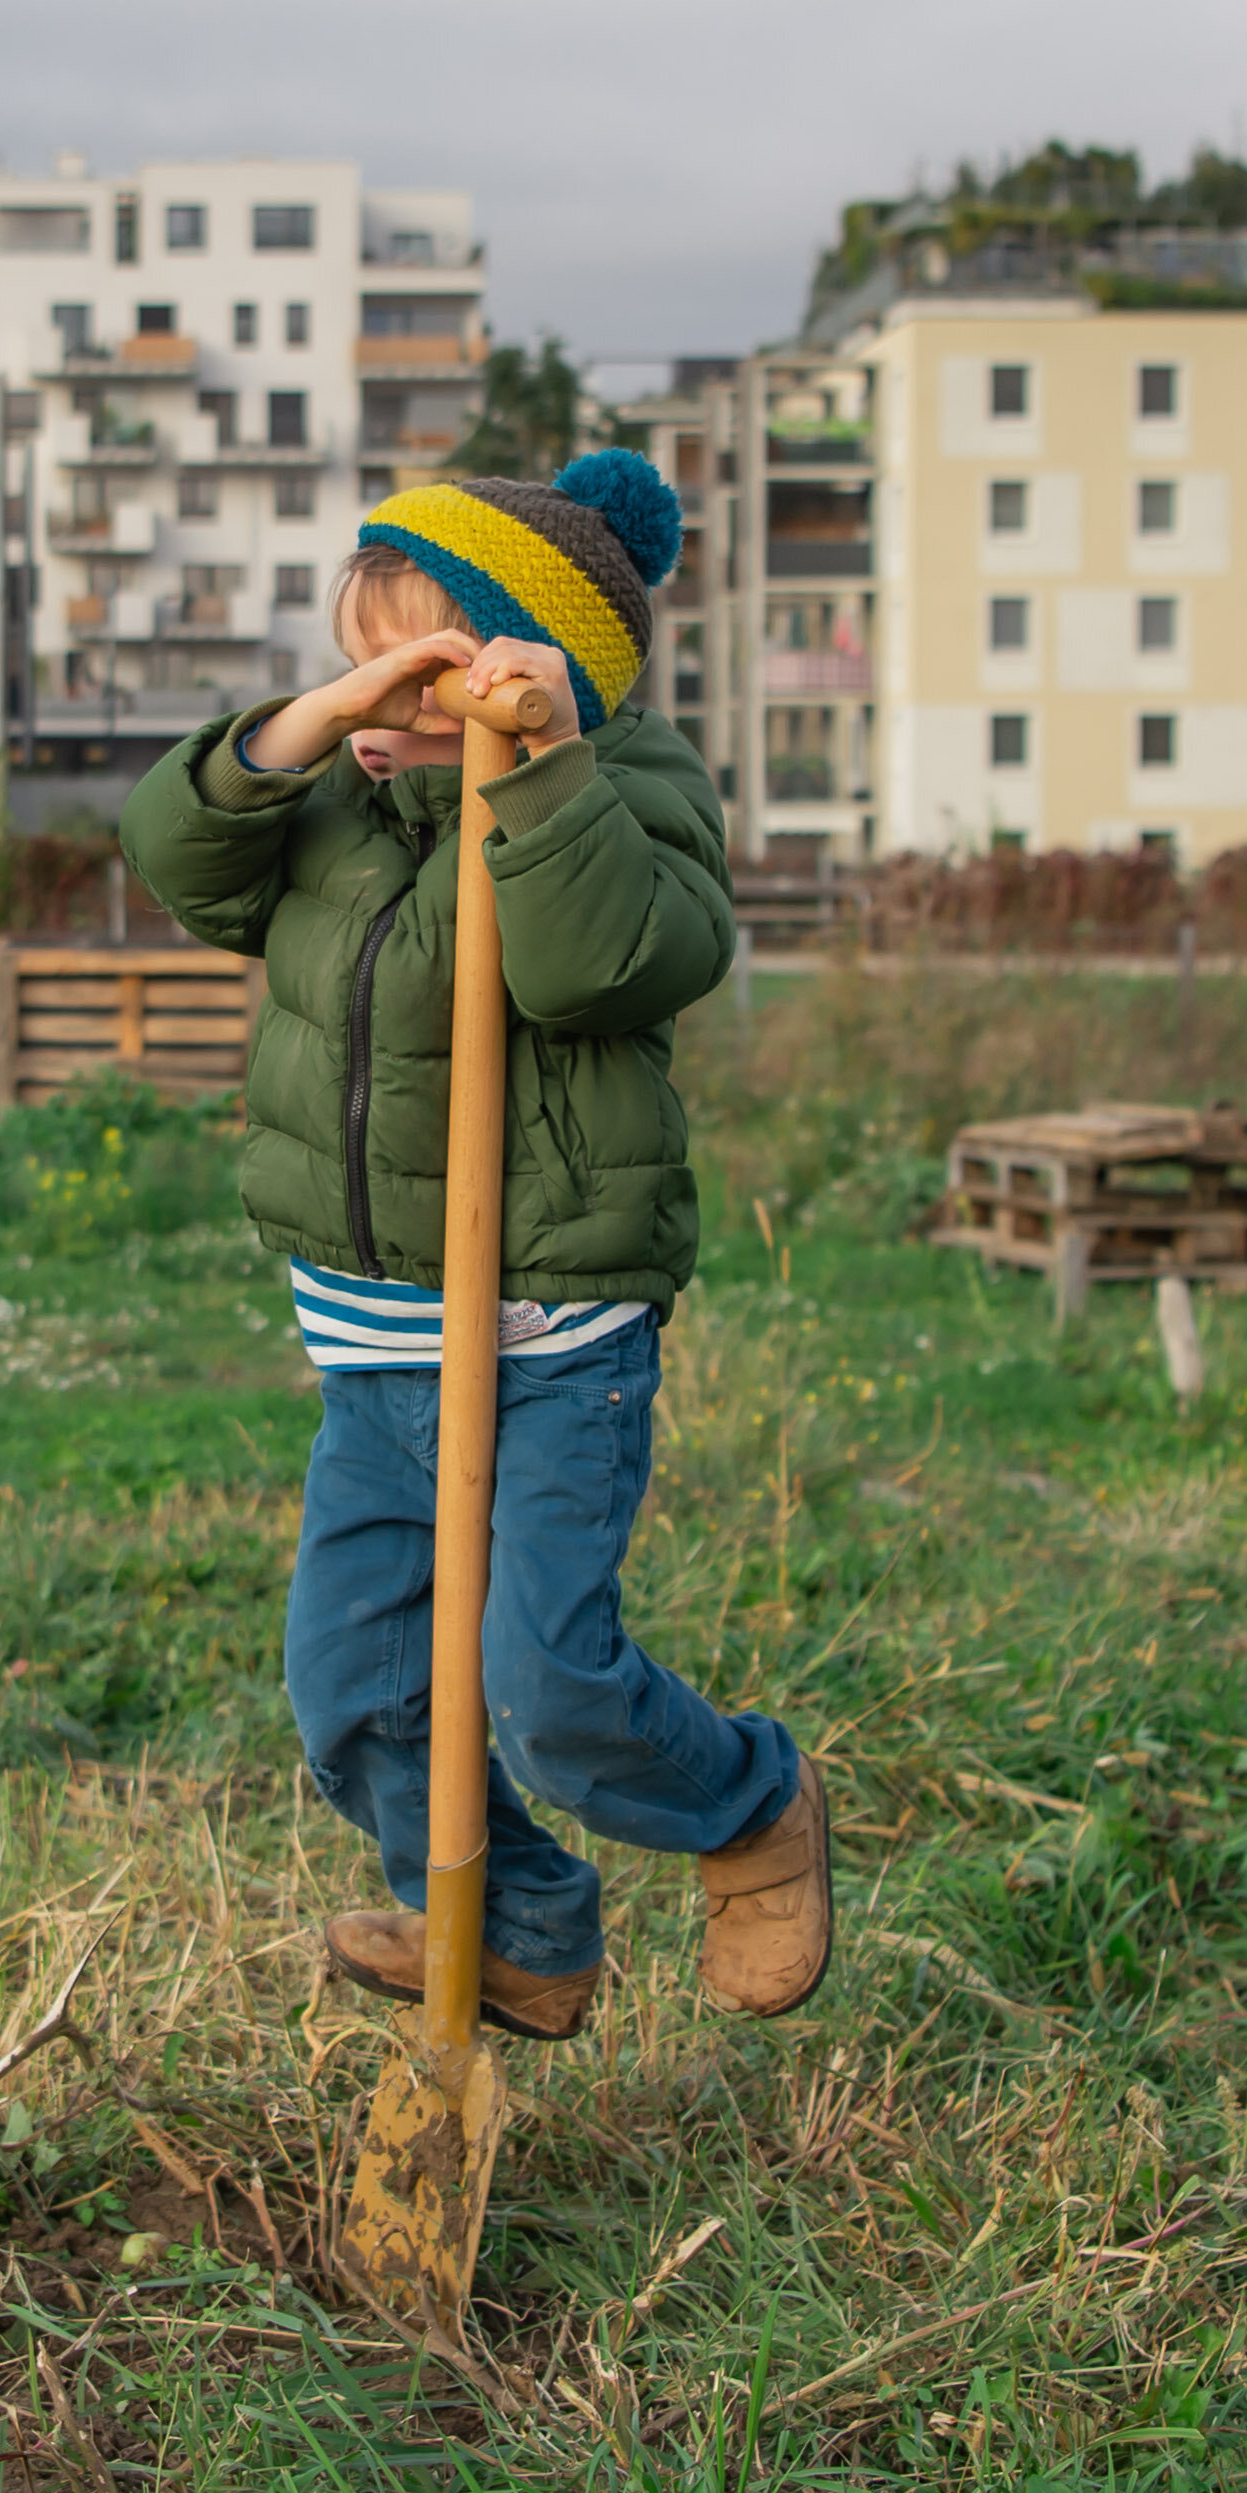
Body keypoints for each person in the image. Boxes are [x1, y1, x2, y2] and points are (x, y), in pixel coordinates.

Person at [118, 451, 829, 2043]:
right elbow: (178, 855)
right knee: (351, 1692)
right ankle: (520, 1923)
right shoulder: (341, 813)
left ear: (529, 670)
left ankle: (749, 1806)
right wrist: (316, 723)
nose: (383, 700)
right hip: (375, 1345)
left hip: (550, 1338)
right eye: (359, 653)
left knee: (549, 1690)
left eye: (421, 667)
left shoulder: (626, 792)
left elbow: (604, 966)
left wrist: (540, 774)